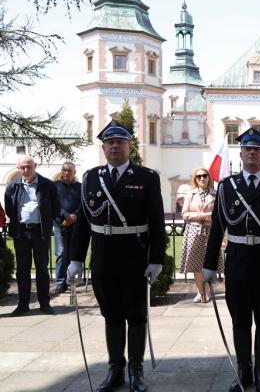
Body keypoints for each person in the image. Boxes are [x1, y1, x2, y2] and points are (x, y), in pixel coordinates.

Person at [68, 120, 166, 392]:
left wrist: (156, 258)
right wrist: (75, 258)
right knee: (111, 316)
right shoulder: (91, 177)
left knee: (136, 317)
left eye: (120, 142)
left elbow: (157, 221)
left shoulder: (146, 177)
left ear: (129, 147)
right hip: (103, 259)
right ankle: (115, 369)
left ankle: (136, 370)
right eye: (109, 143)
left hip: (134, 258)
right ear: (103, 148)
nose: (114, 147)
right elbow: (84, 220)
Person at [203, 128, 260, 392]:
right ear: (240, 153)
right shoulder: (227, 187)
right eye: (247, 149)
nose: (252, 153)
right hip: (237, 263)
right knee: (240, 321)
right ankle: (244, 370)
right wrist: (209, 264)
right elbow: (217, 227)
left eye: (257, 149)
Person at [4, 155, 59, 316]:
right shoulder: (12, 185)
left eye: (29, 166)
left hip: (40, 232)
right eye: (22, 167)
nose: (26, 170)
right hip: (21, 232)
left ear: (35, 165)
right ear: (18, 167)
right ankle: (23, 305)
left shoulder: (47, 185)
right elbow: (9, 208)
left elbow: (55, 208)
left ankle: (44, 304)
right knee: (22, 270)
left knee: (42, 269)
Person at [180, 167, 223, 303]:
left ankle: (208, 292)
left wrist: (205, 217)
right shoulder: (190, 194)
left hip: (211, 231)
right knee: (196, 263)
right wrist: (203, 215)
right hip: (194, 231)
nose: (202, 178)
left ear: (209, 178)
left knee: (210, 261)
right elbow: (185, 214)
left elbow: (219, 214)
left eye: (205, 176)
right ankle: (200, 292)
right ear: (195, 179)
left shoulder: (216, 194)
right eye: (199, 176)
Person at [53, 162, 82, 294]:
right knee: (61, 253)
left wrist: (74, 217)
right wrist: (65, 216)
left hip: (76, 224)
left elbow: (83, 204)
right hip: (60, 224)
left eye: (69, 170)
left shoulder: (81, 187)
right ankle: (60, 282)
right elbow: (53, 204)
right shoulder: (55, 186)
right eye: (64, 170)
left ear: (74, 172)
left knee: (74, 253)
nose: (66, 173)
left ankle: (72, 281)